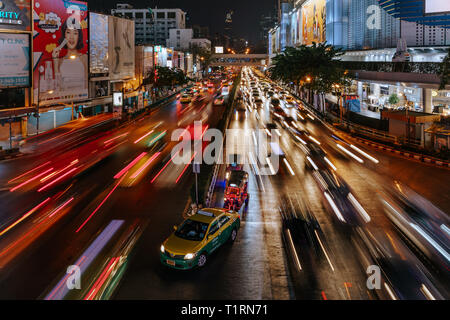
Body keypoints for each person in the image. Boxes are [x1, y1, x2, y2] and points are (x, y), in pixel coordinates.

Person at [52, 17, 87, 94]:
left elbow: (87, 86)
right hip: (65, 101)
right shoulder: (60, 61)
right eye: (68, 32)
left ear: (79, 36)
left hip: (81, 100)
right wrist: (55, 60)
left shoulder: (84, 58)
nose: (71, 37)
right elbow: (58, 88)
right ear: (64, 35)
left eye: (75, 33)